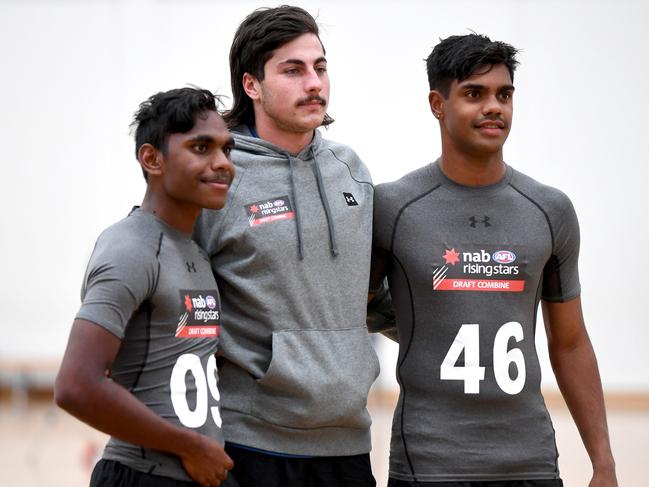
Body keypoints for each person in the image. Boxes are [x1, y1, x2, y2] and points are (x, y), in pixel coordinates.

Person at [370, 34, 617, 487]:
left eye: (504, 95)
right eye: (474, 94)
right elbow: (352, 309)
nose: (494, 107)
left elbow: (571, 344)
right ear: (436, 104)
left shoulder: (549, 209)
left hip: (531, 463)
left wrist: (604, 463)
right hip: (429, 464)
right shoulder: (392, 208)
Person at [193, 6, 378, 487]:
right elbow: (181, 312)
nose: (313, 83)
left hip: (349, 441)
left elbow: (372, 292)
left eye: (319, 67)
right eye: (292, 70)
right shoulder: (217, 176)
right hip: (250, 441)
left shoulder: (352, 169)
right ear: (251, 85)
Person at [55, 87, 239, 487]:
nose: (222, 163)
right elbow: (76, 384)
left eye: (227, 149)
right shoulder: (130, 248)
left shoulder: (195, 250)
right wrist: (189, 446)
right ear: (152, 159)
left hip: (199, 473)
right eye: (202, 148)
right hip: (142, 474)